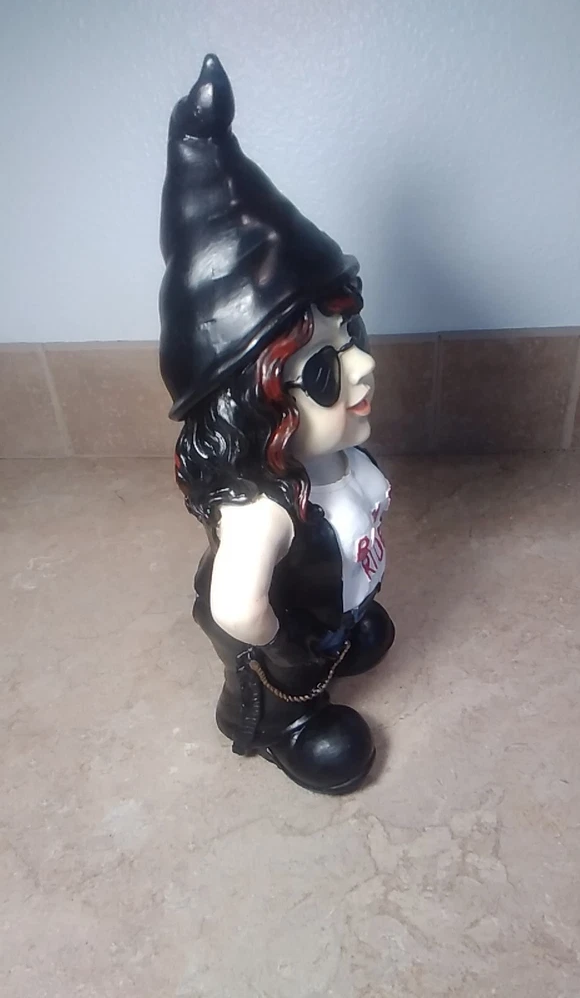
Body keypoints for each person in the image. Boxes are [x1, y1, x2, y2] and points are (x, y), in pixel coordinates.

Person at [158, 55, 394, 793]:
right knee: (285, 690)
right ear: (254, 405)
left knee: (362, 628)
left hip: (331, 612)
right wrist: (289, 648)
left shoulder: (332, 457)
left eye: (353, 341)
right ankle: (283, 726)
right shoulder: (263, 515)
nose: (362, 368)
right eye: (324, 366)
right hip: (287, 655)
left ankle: (345, 636)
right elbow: (237, 606)